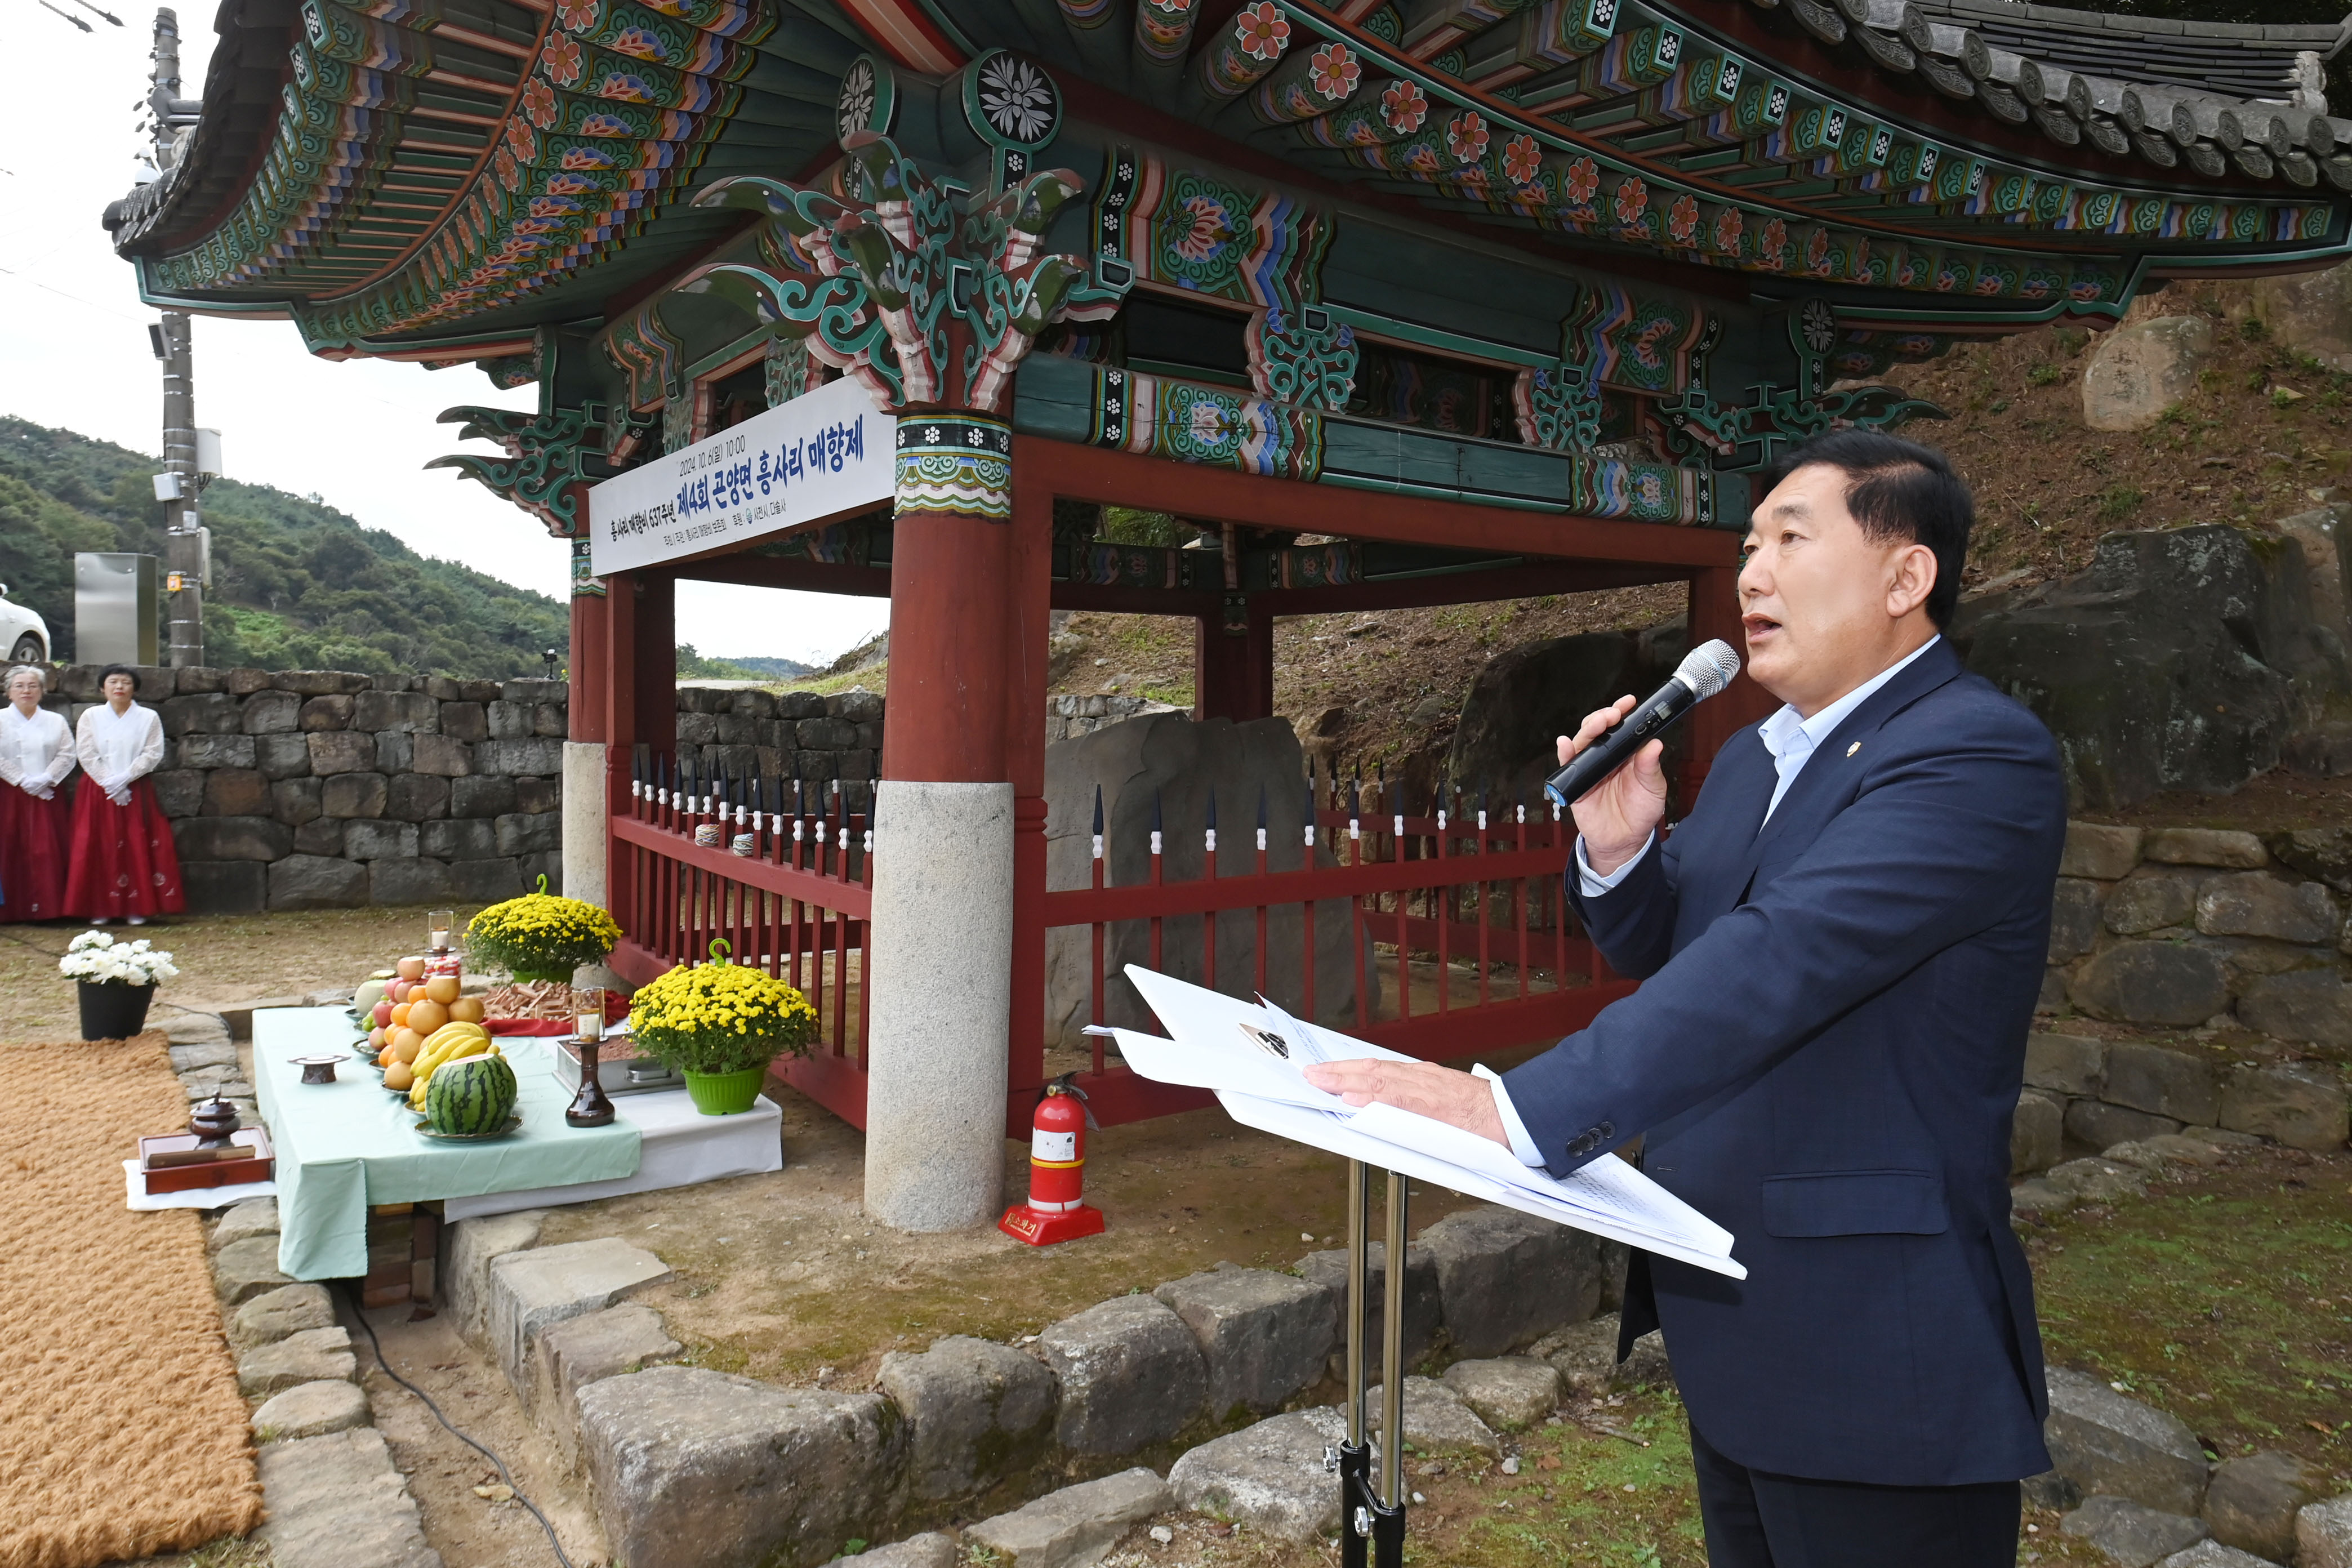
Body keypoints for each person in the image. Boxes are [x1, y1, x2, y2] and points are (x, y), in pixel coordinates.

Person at [1304, 430, 2065, 1568]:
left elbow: (1776, 960)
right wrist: (1619, 851)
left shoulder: (1975, 756)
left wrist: (1512, 1110)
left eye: (1792, 540)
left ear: (1907, 579)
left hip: (1876, 1339)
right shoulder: (1761, 753)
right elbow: (1682, 940)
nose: (1753, 574)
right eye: (1750, 543)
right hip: (1730, 1313)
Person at [63, 666, 185, 926]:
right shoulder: (91, 716)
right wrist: (109, 782)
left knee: (136, 842)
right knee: (99, 843)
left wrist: (125, 779)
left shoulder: (148, 717)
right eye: (113, 682)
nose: (119, 687)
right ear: (102, 688)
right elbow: (86, 752)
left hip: (136, 788)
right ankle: (100, 906)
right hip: (98, 788)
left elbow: (153, 753)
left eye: (126, 682)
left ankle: (137, 905)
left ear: (135, 688)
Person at [0, 665, 75, 921]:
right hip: (8, 792)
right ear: (8, 692)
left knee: (47, 848)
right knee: (9, 845)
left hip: (48, 793)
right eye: (19, 686)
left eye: (33, 686)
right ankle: (10, 909)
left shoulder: (56, 721)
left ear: (42, 691)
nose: (26, 691)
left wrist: (46, 778)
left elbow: (68, 754)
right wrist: (20, 779)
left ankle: (48, 908)